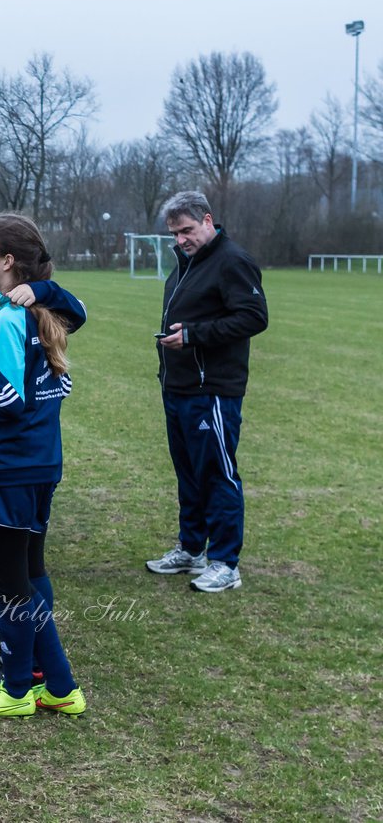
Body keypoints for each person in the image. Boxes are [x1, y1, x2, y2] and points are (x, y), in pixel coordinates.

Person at [0, 213, 88, 719]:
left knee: (9, 583)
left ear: (6, 262)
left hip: (10, 467)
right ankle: (59, 685)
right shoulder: (29, 311)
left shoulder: (6, 319)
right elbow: (78, 318)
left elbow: (8, 398)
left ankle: (15, 691)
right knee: (28, 572)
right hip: (40, 463)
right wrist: (43, 291)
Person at [146, 191, 267, 593]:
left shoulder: (232, 260)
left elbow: (254, 316)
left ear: (208, 220)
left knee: (217, 474)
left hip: (212, 390)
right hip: (178, 387)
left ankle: (225, 562)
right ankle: (192, 548)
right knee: (189, 474)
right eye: (174, 233)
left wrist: (195, 335)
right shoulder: (185, 264)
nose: (181, 239)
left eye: (187, 230)